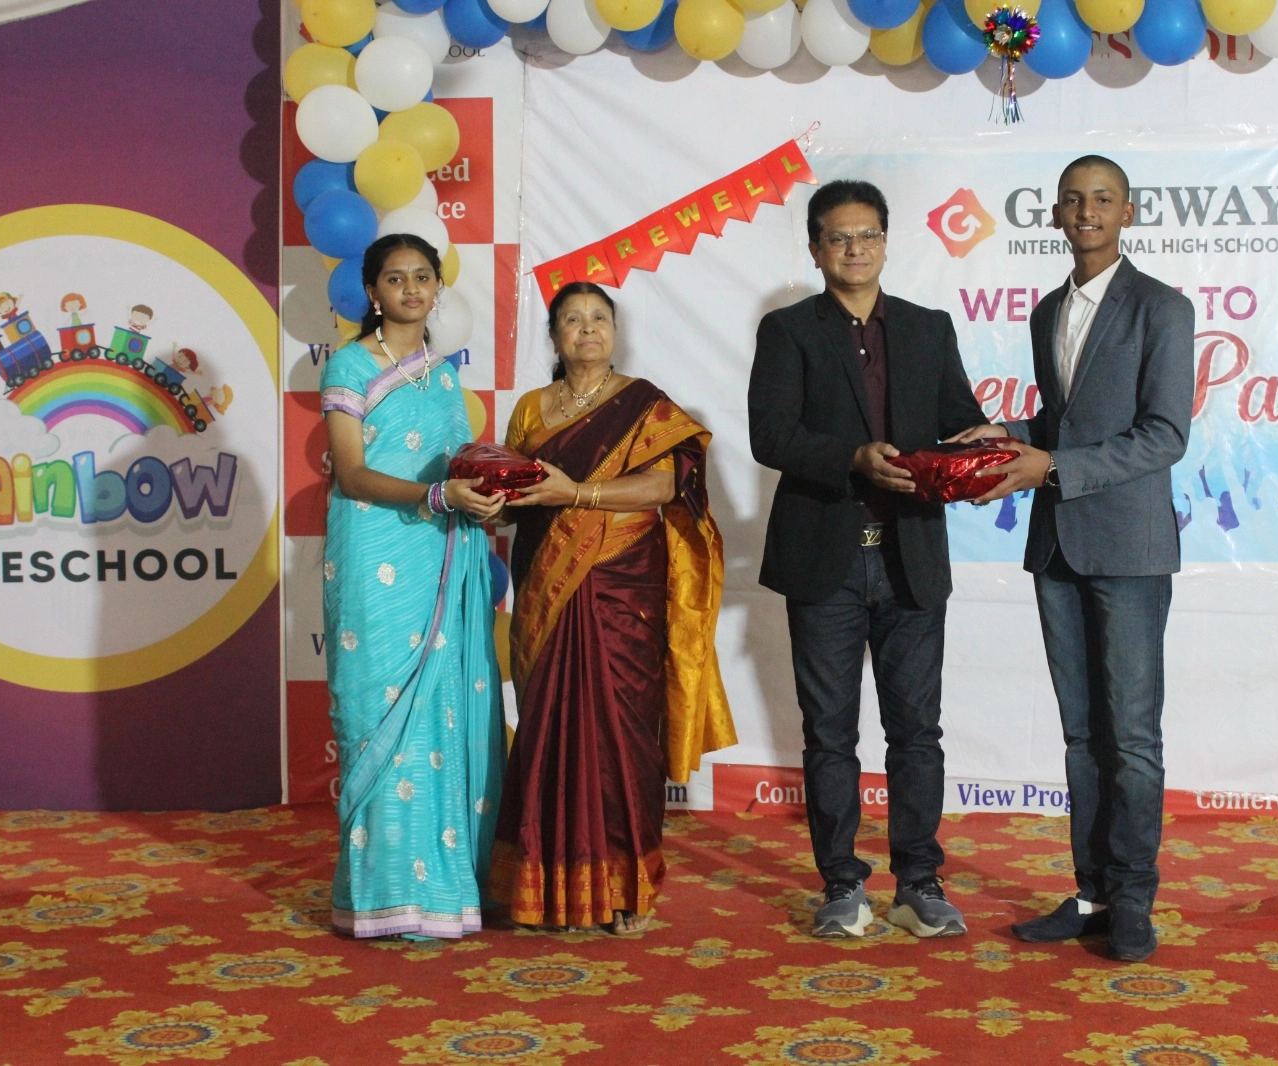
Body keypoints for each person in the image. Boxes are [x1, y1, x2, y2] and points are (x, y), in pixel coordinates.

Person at [955, 155, 1195, 962]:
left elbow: (1164, 435)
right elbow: (1066, 423)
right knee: (1082, 735)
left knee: (1131, 738)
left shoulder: (1162, 308)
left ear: (1129, 212)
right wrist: (1010, 436)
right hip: (1057, 545)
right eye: (1072, 199)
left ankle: (1133, 901)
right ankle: (1091, 892)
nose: (1086, 211)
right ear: (1054, 214)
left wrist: (1051, 465)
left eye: (1103, 198)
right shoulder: (1047, 311)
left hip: (1130, 548)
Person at [749, 179, 990, 940]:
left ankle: (919, 881)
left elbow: (959, 419)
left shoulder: (927, 328)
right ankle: (842, 886)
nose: (855, 249)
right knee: (830, 733)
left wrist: (982, 446)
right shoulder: (788, 331)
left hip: (911, 555)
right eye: (839, 237)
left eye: (868, 235)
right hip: (825, 557)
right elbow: (770, 436)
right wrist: (852, 458)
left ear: (886, 242)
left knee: (917, 731)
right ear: (815, 249)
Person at [491, 281, 736, 935]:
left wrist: (578, 493)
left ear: (616, 331)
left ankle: (626, 891)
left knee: (622, 736)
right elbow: (516, 491)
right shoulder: (531, 409)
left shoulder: (645, 404)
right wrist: (494, 499)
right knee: (547, 728)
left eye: (599, 318)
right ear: (554, 336)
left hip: (623, 587)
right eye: (572, 319)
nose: (587, 329)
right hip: (545, 582)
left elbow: (667, 484)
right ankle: (542, 890)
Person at [319, 233, 507, 939]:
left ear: (437, 288)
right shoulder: (350, 365)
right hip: (376, 555)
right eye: (395, 278)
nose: (410, 289)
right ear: (372, 292)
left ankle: (444, 890)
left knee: (443, 711)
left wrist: (482, 500)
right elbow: (351, 474)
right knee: (379, 709)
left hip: (442, 555)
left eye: (422, 277)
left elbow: (457, 469)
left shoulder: (444, 377)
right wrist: (438, 498)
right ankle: (384, 894)